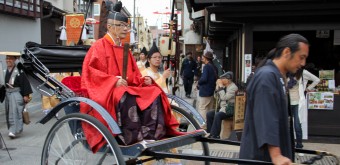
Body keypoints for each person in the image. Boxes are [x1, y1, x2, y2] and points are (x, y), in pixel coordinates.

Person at [80, 1, 183, 152]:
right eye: (121, 25)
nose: (125, 29)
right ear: (109, 27)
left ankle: (151, 133)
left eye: (126, 26)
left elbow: (133, 75)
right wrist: (112, 80)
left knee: (153, 92)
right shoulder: (98, 46)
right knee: (125, 94)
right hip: (107, 92)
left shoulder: (125, 49)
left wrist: (142, 80)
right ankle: (131, 137)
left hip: (124, 88)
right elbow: (90, 73)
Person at [239, 33, 309, 164]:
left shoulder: (277, 76)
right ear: (287, 52)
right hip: (261, 157)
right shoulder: (267, 76)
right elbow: (266, 116)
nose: (303, 63)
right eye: (301, 57)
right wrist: (276, 155)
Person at [0, 52, 33, 139]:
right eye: (7, 58)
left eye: (10, 58)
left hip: (16, 94)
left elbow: (25, 82)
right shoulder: (4, 71)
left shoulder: (19, 70)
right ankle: (13, 129)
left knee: (15, 112)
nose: (8, 60)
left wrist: (26, 95)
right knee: (9, 112)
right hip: (8, 94)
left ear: (14, 60)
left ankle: (13, 130)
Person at [287, 68, 320, 148]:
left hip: (298, 103)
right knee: (287, 125)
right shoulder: (286, 71)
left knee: (297, 125)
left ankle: (299, 144)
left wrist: (307, 89)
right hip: (287, 102)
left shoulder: (303, 73)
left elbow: (317, 80)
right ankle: (288, 145)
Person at [206, 71, 238, 139]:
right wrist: (218, 87)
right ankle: (209, 133)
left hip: (229, 109)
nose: (221, 80)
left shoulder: (233, 87)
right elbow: (216, 97)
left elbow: (224, 97)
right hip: (222, 108)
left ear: (228, 79)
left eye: (222, 78)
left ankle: (215, 136)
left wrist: (220, 87)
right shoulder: (223, 86)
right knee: (209, 114)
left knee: (218, 115)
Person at [197, 51, 218, 122]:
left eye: (203, 57)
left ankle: (203, 124)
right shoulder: (215, 67)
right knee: (210, 109)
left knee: (202, 108)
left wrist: (198, 82)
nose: (202, 58)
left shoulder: (206, 67)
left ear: (206, 58)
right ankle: (209, 124)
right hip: (212, 90)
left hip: (205, 91)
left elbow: (204, 78)